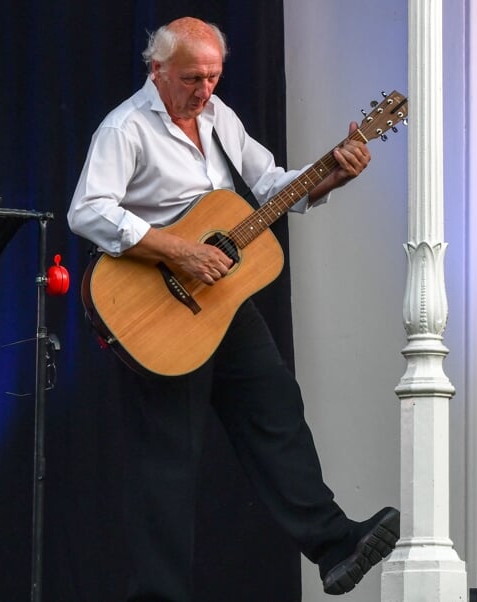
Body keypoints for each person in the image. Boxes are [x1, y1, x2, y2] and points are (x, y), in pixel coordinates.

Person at [68, 17, 398, 601]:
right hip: (155, 309)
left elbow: (272, 186)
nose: (204, 90)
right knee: (167, 464)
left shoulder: (221, 119)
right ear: (157, 71)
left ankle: (334, 546)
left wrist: (333, 176)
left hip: (222, 301)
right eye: (193, 77)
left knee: (277, 414)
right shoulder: (125, 128)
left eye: (214, 77)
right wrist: (179, 251)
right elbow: (88, 212)